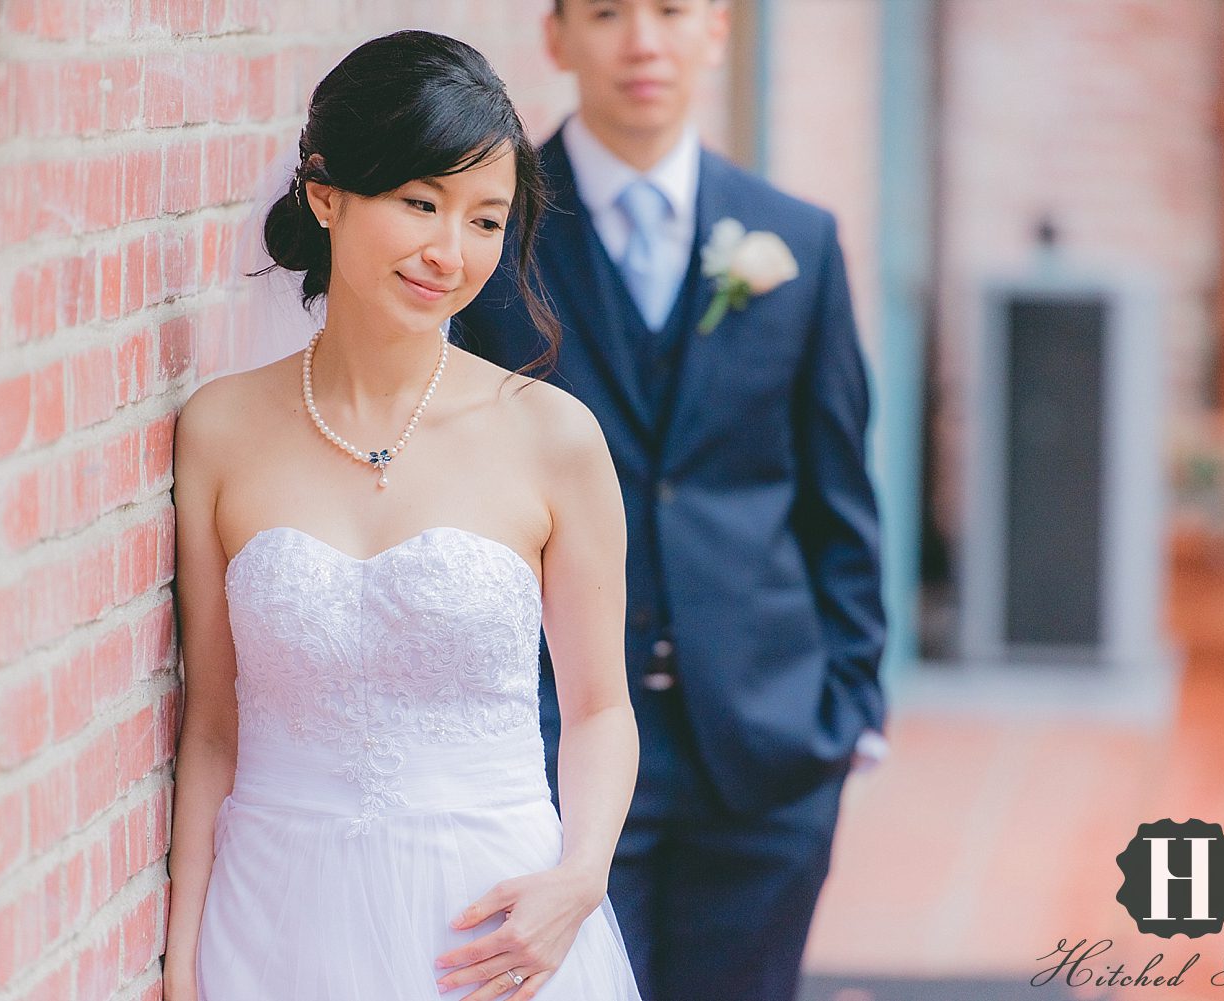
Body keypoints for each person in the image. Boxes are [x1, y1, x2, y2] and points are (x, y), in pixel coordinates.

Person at [162, 30, 644, 1001]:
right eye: (421, 203)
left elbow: (598, 706)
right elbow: (211, 724)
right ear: (326, 193)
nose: (448, 250)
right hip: (272, 923)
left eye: (483, 219)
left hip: (494, 932)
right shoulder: (218, 429)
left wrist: (580, 876)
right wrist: (180, 954)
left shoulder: (553, 437)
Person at [454, 3, 888, 999]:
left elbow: (840, 499)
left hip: (767, 750)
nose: (641, 41)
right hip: (557, 745)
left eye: (671, 11)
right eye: (607, 12)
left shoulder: (797, 240)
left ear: (718, 32)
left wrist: (849, 709)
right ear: (557, 39)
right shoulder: (489, 232)